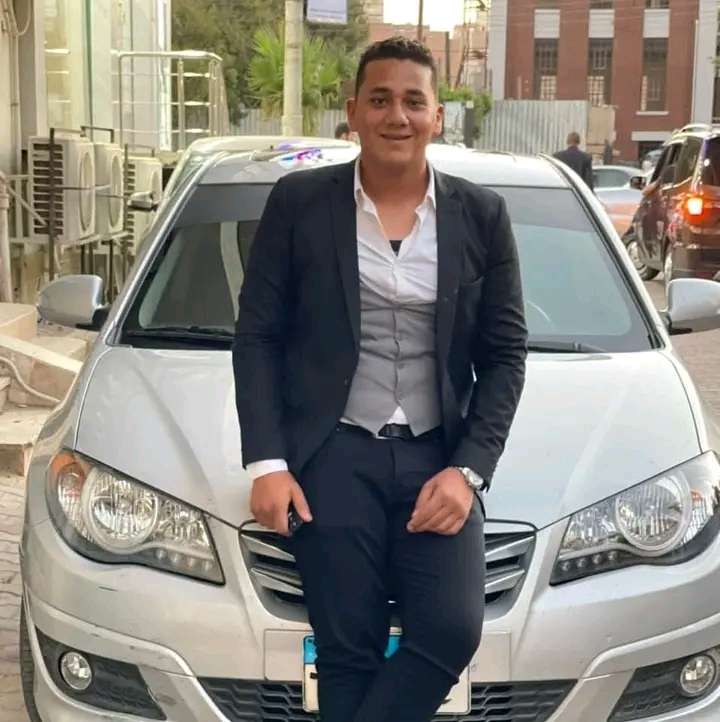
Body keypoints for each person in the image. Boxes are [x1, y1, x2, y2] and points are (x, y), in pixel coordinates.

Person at [233, 36, 527, 722]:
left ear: (437, 117)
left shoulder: (482, 216)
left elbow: (506, 355)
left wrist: (469, 471)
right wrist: (268, 462)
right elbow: (258, 336)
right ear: (353, 112)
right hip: (333, 452)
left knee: (451, 629)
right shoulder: (300, 203)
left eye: (413, 101)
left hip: (436, 455)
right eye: (381, 99)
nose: (398, 115)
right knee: (348, 647)